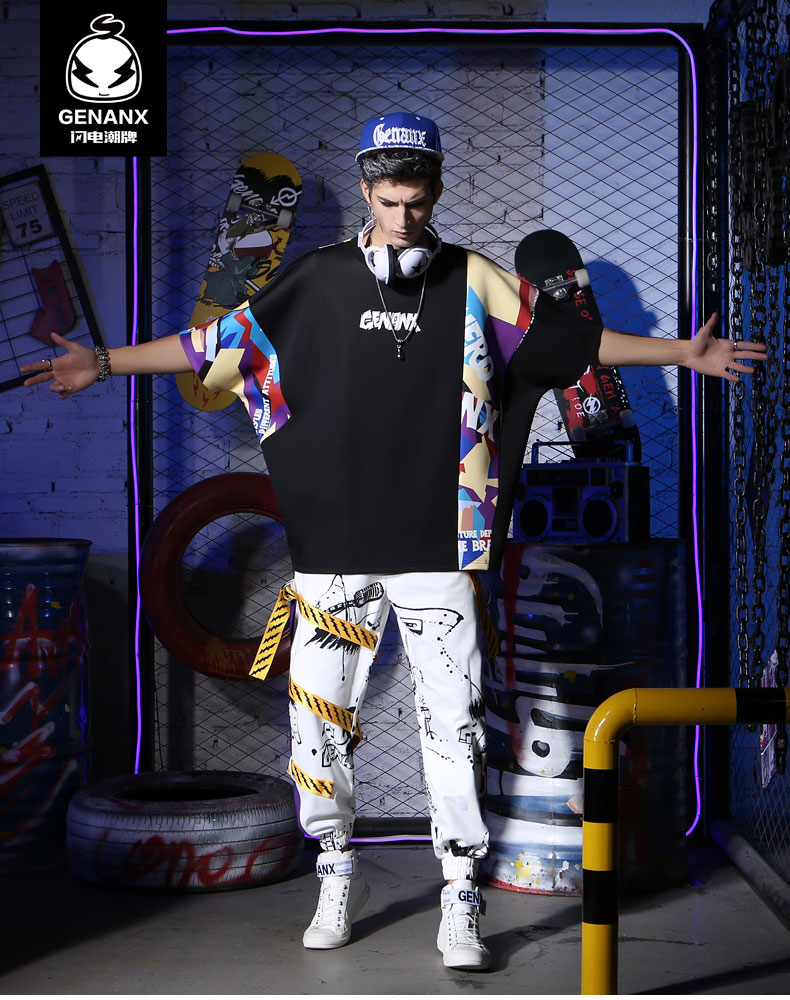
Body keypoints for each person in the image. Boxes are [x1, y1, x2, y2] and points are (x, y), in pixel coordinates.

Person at [23, 112, 766, 972]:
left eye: (416, 202)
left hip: (438, 546)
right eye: (387, 201)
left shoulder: (475, 279)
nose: (403, 219)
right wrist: (102, 362)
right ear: (367, 191)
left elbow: (571, 340)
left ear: (436, 193)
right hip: (334, 549)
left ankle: (460, 890)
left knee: (454, 724)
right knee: (317, 726)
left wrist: (680, 352)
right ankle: (335, 869)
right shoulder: (319, 279)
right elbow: (212, 347)